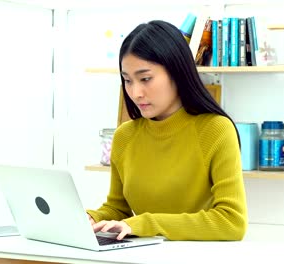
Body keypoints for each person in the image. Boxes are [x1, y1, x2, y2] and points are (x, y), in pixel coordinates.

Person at [86, 20, 247, 241]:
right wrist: (90, 219)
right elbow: (118, 209)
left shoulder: (215, 130)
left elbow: (232, 222)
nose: (135, 92)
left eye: (145, 79)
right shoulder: (125, 136)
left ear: (177, 72)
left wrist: (145, 223)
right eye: (127, 81)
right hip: (139, 257)